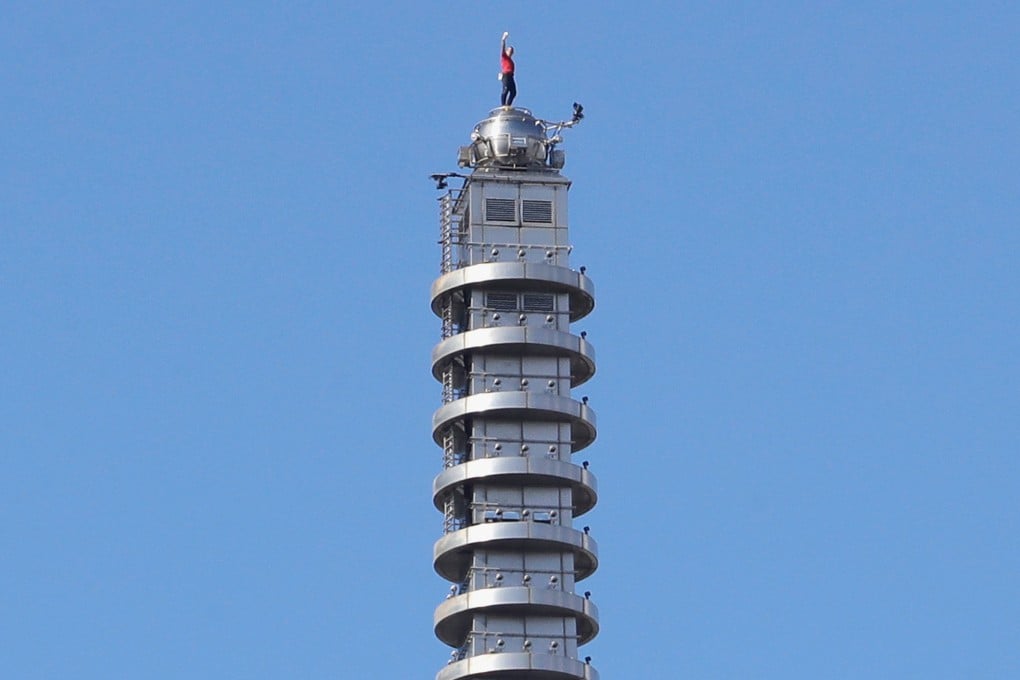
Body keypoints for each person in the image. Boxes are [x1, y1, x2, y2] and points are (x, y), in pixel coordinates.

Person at [500, 31, 516, 107]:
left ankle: (508, 105)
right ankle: (503, 105)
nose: (510, 52)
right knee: (505, 89)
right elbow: (502, 48)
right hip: (506, 75)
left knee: (513, 92)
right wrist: (503, 40)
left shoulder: (511, 61)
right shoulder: (504, 57)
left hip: (510, 76)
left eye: (512, 51)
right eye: (509, 50)